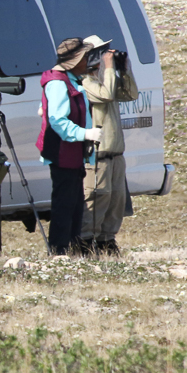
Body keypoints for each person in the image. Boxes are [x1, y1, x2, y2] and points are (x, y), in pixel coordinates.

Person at [36, 37, 103, 255]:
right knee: (65, 204)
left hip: (72, 152)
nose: (88, 61)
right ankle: (59, 251)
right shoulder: (58, 82)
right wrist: (85, 133)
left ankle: (72, 249)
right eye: (85, 57)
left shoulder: (69, 79)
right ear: (74, 60)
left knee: (74, 203)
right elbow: (57, 119)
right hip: (63, 152)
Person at [79, 35, 139, 256]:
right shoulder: (85, 82)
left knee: (116, 201)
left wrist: (124, 70)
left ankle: (107, 240)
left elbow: (131, 94)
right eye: (103, 52)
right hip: (98, 153)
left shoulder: (105, 80)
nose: (108, 55)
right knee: (97, 199)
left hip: (115, 154)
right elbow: (104, 95)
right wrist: (108, 68)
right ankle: (86, 242)